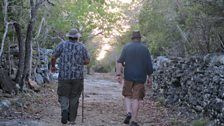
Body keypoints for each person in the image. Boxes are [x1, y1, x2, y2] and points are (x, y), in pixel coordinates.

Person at [51, 29, 90, 124]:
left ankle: (64, 109)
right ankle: (72, 119)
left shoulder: (62, 45)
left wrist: (53, 66)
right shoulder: (82, 47)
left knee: (63, 94)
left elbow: (53, 57)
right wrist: (79, 62)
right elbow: (87, 60)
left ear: (68, 36)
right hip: (77, 77)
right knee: (74, 97)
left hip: (64, 76)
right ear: (77, 37)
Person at [116, 30, 153, 126]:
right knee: (136, 98)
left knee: (127, 95)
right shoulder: (145, 49)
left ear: (132, 38)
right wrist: (150, 77)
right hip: (140, 77)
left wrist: (118, 75)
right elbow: (149, 65)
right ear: (140, 38)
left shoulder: (127, 47)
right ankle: (134, 120)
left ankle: (129, 112)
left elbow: (120, 62)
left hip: (128, 76)